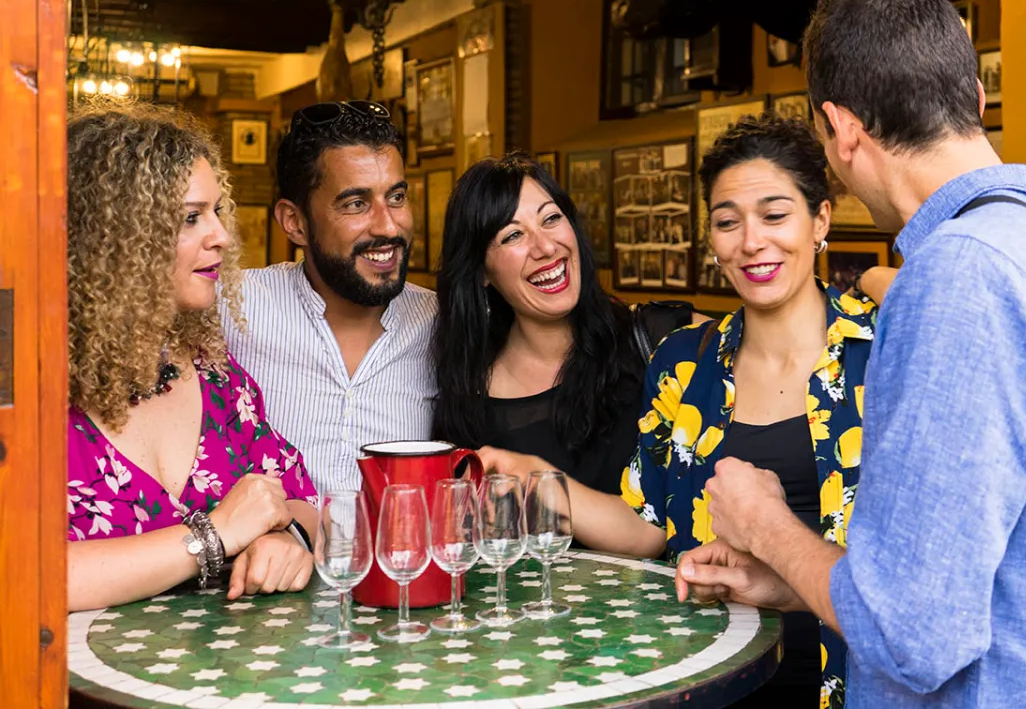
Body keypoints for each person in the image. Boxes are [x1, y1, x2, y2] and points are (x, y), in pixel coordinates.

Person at [677, 0, 1026, 708]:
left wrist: (765, 525)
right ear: (975, 102)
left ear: (842, 129)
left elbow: (913, 636)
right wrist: (797, 583)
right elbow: (988, 586)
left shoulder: (958, 277)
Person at [621, 114, 877, 707]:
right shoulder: (683, 362)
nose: (751, 241)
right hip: (711, 680)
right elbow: (648, 518)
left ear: (821, 221)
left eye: (774, 215)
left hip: (853, 685)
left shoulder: (883, 349)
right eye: (727, 222)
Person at [66, 105, 317, 612]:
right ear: (111, 239)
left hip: (217, 679)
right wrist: (212, 537)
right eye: (190, 217)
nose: (221, 234)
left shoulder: (218, 378)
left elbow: (301, 504)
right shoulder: (27, 387)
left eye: (217, 211)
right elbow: (23, 575)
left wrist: (287, 540)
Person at [433, 153, 701, 496]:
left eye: (551, 218)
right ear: (481, 270)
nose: (545, 247)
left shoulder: (661, 337)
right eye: (513, 235)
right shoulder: (465, 394)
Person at [222, 101, 437, 494]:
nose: (388, 225)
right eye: (356, 204)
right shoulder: (233, 307)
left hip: (395, 557)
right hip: (263, 554)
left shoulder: (442, 324)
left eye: (397, 197)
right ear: (295, 223)